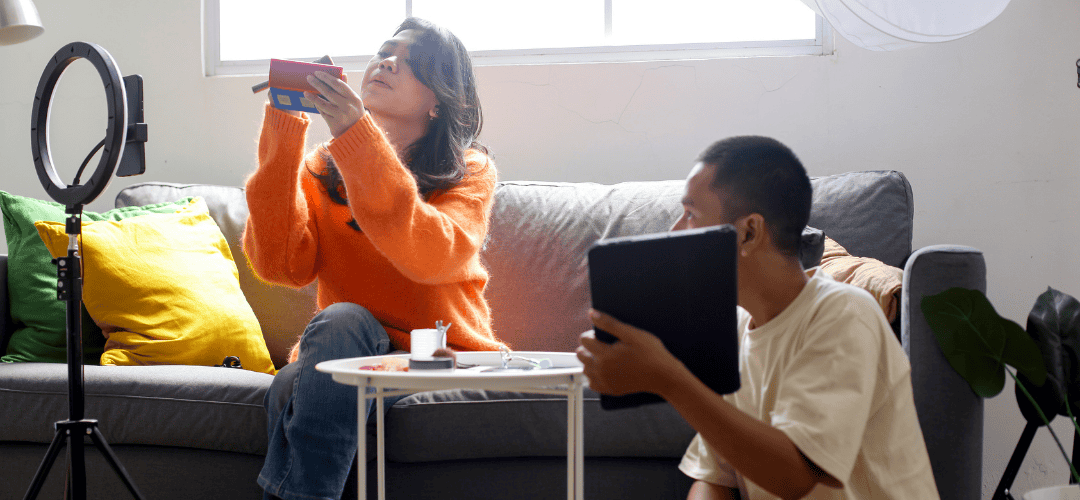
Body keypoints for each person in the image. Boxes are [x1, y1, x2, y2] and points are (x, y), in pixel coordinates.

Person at [576, 136, 939, 500]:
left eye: (690, 214)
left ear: (749, 232)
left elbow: (795, 476)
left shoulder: (844, 314)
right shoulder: (732, 328)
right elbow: (715, 478)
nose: (673, 231)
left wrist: (669, 378)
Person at [243, 17, 505, 500]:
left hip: (434, 357)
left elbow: (430, 255)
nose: (386, 62)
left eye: (411, 63)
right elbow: (281, 266)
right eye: (385, 52)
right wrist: (285, 127)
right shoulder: (324, 167)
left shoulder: (470, 172)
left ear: (438, 101)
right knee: (328, 338)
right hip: (341, 353)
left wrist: (355, 133)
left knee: (295, 383)